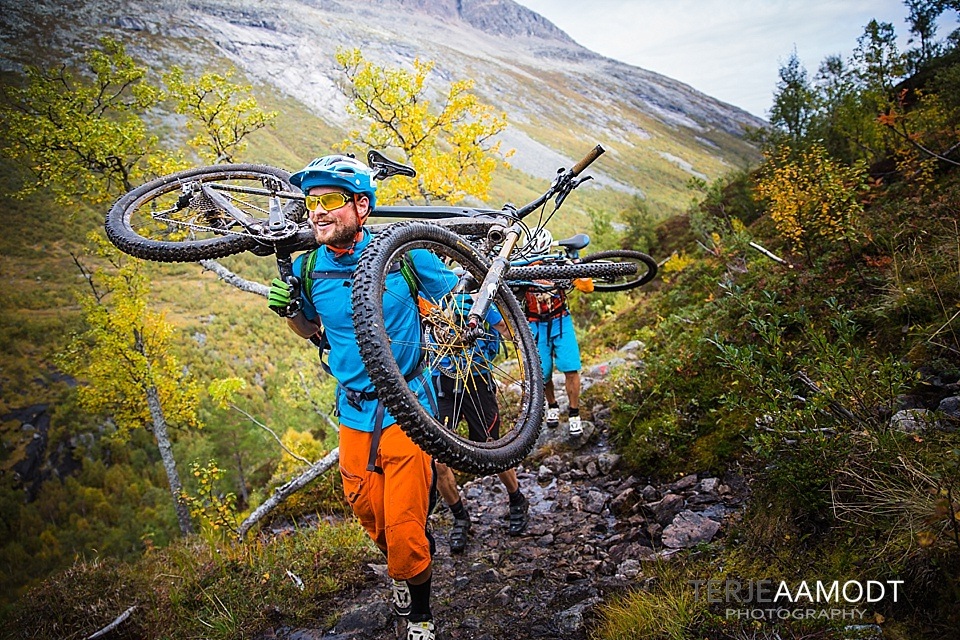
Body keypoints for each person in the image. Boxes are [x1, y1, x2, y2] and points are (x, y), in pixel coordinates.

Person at [267, 155, 453, 640]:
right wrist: (289, 312)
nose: (317, 211)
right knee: (368, 511)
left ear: (362, 206)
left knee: (405, 526)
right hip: (352, 409)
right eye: (311, 202)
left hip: (408, 405)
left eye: (330, 199)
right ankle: (405, 564)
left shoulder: (405, 256)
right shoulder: (309, 267)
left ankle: (420, 616)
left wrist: (488, 328)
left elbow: (459, 298)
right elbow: (309, 329)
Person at [430, 294, 529, 554]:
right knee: (438, 460)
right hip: (442, 383)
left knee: (492, 448)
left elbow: (506, 329)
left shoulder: (477, 295)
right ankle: (460, 517)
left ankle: (517, 498)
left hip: (477, 379)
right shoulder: (424, 295)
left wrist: (529, 357)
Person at [525, 281, 584, 437]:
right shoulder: (520, 268)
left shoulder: (557, 267)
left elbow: (585, 285)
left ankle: (574, 413)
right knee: (542, 373)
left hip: (561, 319)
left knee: (571, 367)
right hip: (534, 323)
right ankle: (552, 405)